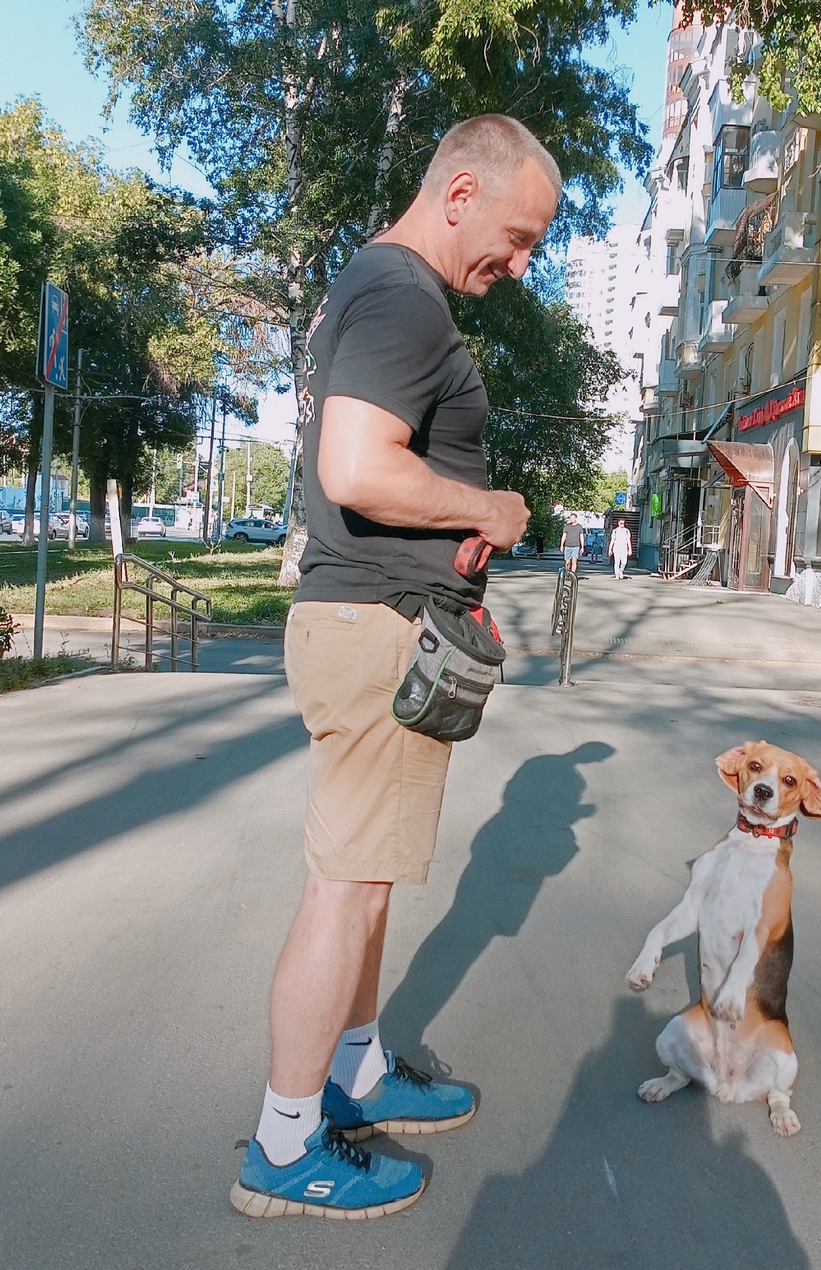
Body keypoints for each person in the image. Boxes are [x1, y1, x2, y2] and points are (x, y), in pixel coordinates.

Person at [230, 115, 560, 1220]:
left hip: (378, 623)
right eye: (514, 239)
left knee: (363, 887)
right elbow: (360, 467)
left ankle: (359, 1070)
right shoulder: (401, 296)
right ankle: (283, 1143)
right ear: (458, 191)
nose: (515, 268)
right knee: (343, 889)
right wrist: (491, 507)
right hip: (376, 629)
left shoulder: (377, 289)